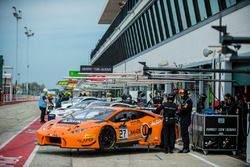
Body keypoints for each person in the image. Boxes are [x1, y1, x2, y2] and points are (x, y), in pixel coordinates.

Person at [178, 89, 193, 153]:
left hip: (186, 119)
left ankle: (186, 148)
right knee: (183, 134)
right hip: (183, 118)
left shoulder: (188, 101)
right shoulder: (184, 101)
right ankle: (184, 147)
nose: (181, 95)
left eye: (182, 94)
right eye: (180, 94)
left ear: (185, 94)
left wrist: (179, 112)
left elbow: (184, 110)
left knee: (185, 133)